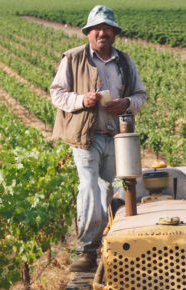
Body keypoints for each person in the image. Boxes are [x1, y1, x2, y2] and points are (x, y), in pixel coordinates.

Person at [50, 5, 147, 272]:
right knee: (89, 188)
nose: (102, 33)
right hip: (86, 137)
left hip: (116, 138)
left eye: (107, 28)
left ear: (114, 34)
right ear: (88, 33)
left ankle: (114, 242)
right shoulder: (72, 59)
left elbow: (141, 96)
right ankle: (87, 251)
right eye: (97, 29)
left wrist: (126, 103)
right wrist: (83, 99)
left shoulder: (125, 62)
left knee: (110, 189)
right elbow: (57, 94)